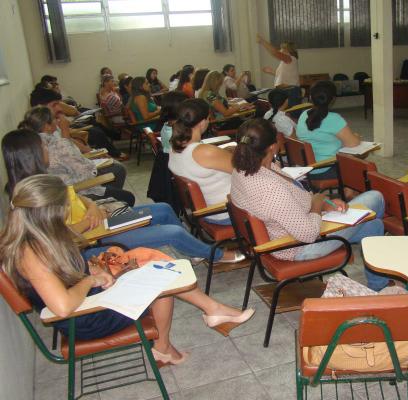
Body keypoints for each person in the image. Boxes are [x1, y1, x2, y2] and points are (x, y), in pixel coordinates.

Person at [0, 174, 254, 366]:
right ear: (51, 211)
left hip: (86, 299)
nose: (68, 210)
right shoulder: (29, 253)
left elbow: (66, 268)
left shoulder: (39, 235)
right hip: (86, 318)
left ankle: (205, 316)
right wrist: (91, 281)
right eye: (65, 205)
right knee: (160, 280)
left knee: (154, 265)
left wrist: (95, 268)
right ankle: (181, 334)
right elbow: (63, 307)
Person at [1, 129, 245, 264]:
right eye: (43, 147)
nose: (48, 150)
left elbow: (75, 195)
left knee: (162, 209)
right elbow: (57, 238)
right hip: (91, 239)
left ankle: (189, 252)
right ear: (31, 154)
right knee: (174, 232)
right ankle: (216, 255)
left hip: (95, 221)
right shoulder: (29, 195)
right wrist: (91, 220)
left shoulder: (43, 179)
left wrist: (91, 206)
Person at [230, 119, 390, 290]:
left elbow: (292, 202)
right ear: (272, 147)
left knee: (374, 224)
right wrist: (317, 203)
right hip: (299, 247)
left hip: (292, 231)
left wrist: (325, 204)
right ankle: (384, 273)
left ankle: (378, 285)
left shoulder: (244, 169)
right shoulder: (270, 187)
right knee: (376, 197)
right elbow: (308, 235)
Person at [18, 107, 135, 206]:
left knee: (114, 170)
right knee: (126, 192)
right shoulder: (56, 144)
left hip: (62, 186)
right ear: (47, 126)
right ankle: (112, 205)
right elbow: (86, 174)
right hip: (76, 191)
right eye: (54, 119)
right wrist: (66, 133)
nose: (57, 121)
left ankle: (111, 200)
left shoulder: (33, 142)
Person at [168, 99, 234, 225]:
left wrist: (222, 153)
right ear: (203, 122)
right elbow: (247, 169)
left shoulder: (175, 147)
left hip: (207, 210)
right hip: (227, 213)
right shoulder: (204, 152)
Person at [30, 86, 126, 160]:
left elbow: (70, 141)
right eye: (55, 105)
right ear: (40, 107)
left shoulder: (51, 123)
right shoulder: (44, 131)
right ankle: (116, 145)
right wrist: (65, 130)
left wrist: (93, 152)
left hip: (79, 157)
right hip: (76, 165)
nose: (59, 108)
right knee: (117, 169)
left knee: (96, 126)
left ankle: (115, 143)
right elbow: (67, 155)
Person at [296, 80, 360, 183]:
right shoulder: (334, 119)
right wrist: (356, 136)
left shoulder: (303, 115)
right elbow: (353, 144)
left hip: (304, 169)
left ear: (311, 97)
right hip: (326, 169)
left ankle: (347, 192)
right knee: (361, 165)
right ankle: (350, 193)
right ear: (333, 99)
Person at [257, 35, 301, 107]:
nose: (280, 50)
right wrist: (272, 72)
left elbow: (275, 53)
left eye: (281, 48)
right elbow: (285, 76)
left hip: (291, 92)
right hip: (285, 92)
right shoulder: (286, 61)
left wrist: (262, 41)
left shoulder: (291, 59)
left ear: (287, 50)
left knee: (290, 116)